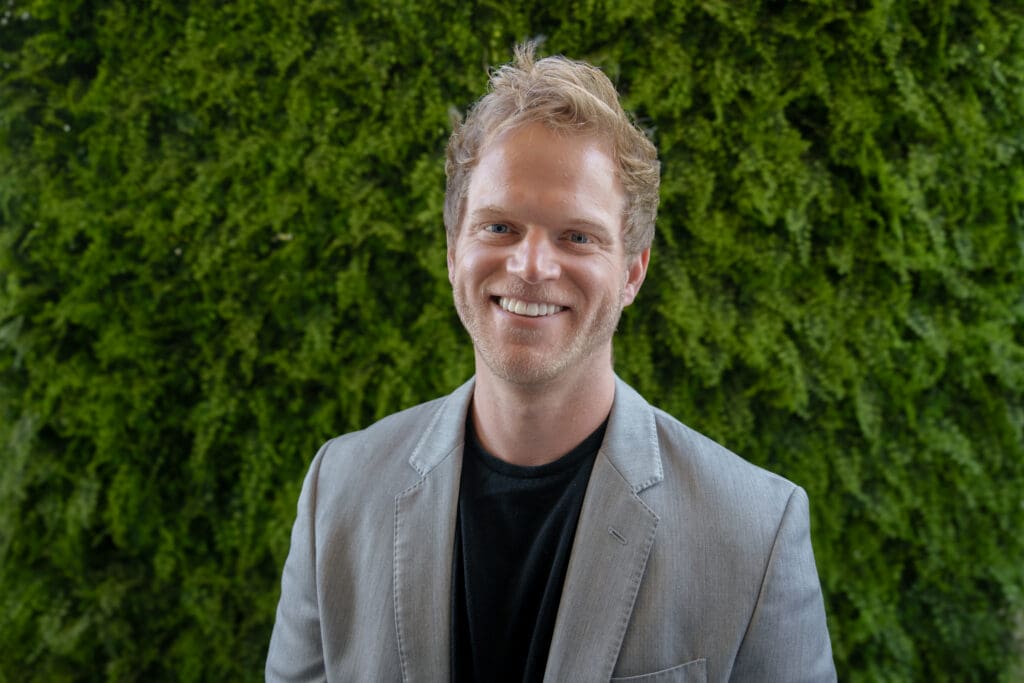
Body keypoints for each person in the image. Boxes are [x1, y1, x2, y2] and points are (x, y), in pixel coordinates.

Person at [266, 43, 836, 682]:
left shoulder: (755, 532)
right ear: (453, 250)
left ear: (632, 273)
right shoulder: (338, 491)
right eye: (499, 227)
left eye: (577, 236)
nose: (532, 265)